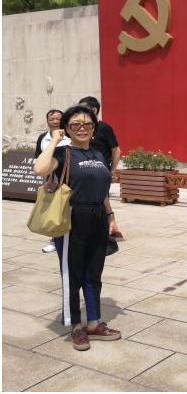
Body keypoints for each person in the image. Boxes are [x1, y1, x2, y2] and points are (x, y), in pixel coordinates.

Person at [33, 105, 121, 351]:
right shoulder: (63, 153)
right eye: (75, 124)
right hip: (72, 218)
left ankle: (94, 322)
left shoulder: (98, 154)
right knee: (72, 274)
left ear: (94, 127)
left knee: (94, 273)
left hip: (98, 216)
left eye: (87, 124)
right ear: (67, 128)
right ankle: (76, 326)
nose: (82, 128)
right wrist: (55, 140)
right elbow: (39, 169)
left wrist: (111, 216)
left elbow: (102, 190)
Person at [35, 109, 71, 253]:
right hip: (51, 179)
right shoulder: (43, 138)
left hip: (68, 179)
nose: (55, 121)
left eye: (58, 119)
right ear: (47, 121)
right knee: (53, 210)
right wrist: (46, 180)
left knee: (67, 210)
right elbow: (38, 158)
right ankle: (54, 240)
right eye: (52, 119)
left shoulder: (70, 136)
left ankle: (68, 238)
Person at [78, 97, 121, 175]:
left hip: (101, 172)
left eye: (82, 109)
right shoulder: (78, 127)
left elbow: (116, 150)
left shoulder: (104, 128)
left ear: (94, 110)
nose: (79, 112)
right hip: (81, 171)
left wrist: (112, 171)